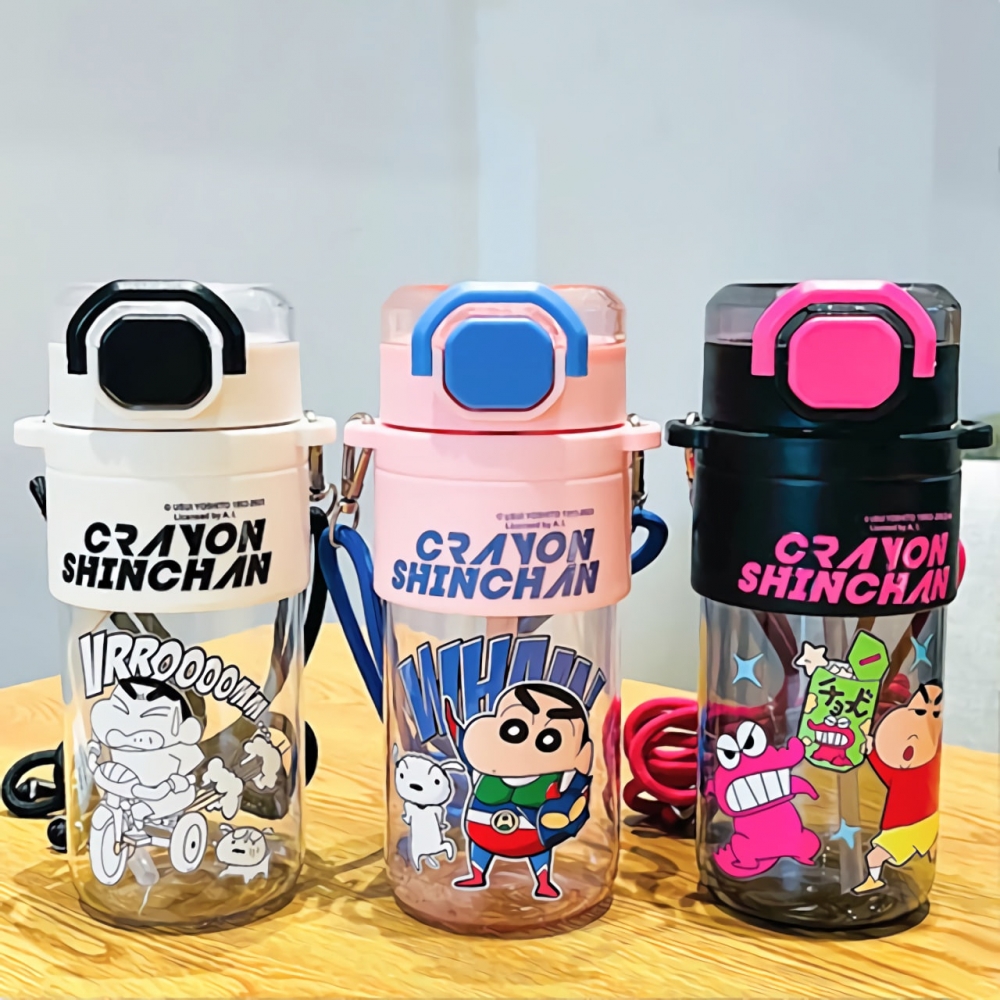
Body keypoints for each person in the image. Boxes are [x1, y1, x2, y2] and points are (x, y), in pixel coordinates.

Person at [444, 682, 593, 899]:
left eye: (549, 740)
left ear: (581, 754)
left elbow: (577, 790)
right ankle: (477, 874)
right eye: (513, 729)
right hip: (482, 830)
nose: (526, 746)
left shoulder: (557, 779)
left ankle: (543, 882)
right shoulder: (486, 769)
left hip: (532, 836)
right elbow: (466, 750)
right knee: (481, 847)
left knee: (540, 850)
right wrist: (452, 722)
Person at [853, 681, 943, 894]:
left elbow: (885, 770)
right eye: (919, 711)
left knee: (875, 856)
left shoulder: (921, 763)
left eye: (935, 713)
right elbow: (885, 770)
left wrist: (871, 751)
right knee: (918, 849)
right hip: (920, 823)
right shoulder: (905, 769)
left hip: (904, 825)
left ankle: (873, 880)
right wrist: (870, 750)